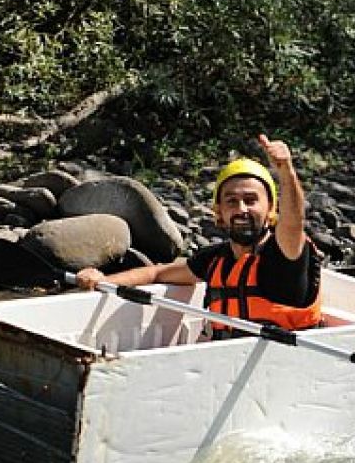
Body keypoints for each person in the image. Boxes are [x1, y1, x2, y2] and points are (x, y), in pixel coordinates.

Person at [75, 133, 323, 338]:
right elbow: (156, 272)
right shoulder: (216, 259)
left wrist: (286, 170)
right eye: (232, 201)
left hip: (280, 365)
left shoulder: (285, 255)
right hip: (224, 363)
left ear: (270, 210)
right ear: (219, 212)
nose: (241, 209)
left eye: (251, 200)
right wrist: (103, 281)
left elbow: (293, 223)